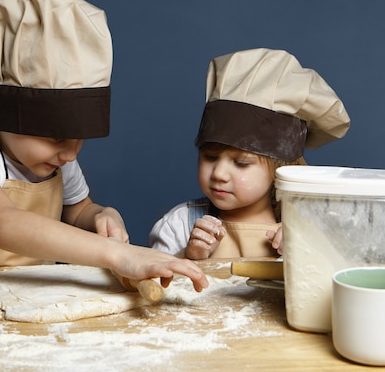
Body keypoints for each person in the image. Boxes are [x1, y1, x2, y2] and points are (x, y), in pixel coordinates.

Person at [0, 0, 207, 291]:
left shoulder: (56, 159)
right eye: (57, 138)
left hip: (34, 293)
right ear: (7, 114)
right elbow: (2, 221)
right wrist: (117, 254)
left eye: (79, 138)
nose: (71, 154)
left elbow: (77, 210)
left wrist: (102, 215)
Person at [149, 48, 351, 260]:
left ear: (283, 169)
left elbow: (335, 281)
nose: (219, 173)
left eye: (241, 163)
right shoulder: (180, 224)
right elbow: (151, 283)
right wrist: (188, 256)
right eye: (210, 157)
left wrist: (304, 252)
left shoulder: (308, 231)